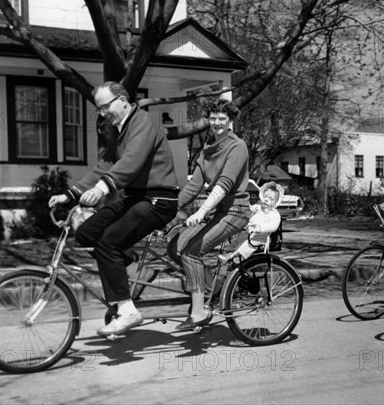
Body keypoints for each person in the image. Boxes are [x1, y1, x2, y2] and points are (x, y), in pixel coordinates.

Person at [48, 81, 179, 337]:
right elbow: (104, 165)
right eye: (99, 109)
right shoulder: (118, 131)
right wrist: (69, 195)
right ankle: (133, 271)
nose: (103, 113)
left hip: (159, 200)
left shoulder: (144, 123)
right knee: (86, 233)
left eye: (105, 106)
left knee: (108, 243)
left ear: (122, 99)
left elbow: (131, 162)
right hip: (135, 198)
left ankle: (128, 310)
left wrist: (101, 189)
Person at [170, 97, 251, 331]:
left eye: (221, 119)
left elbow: (225, 183)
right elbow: (193, 187)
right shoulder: (207, 150)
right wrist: (165, 211)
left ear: (230, 122)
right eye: (213, 118)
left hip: (236, 211)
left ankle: (198, 312)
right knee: (175, 244)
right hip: (219, 211)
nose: (216, 122)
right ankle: (208, 291)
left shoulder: (238, 147)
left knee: (191, 251)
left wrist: (202, 211)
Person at [218, 182, 284, 264]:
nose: (267, 199)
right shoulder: (257, 207)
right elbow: (247, 212)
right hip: (248, 233)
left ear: (276, 202)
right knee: (238, 240)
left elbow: (274, 226)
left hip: (261, 237)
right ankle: (228, 252)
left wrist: (261, 228)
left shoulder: (274, 214)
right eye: (265, 196)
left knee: (247, 245)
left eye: (271, 199)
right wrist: (250, 212)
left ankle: (231, 256)